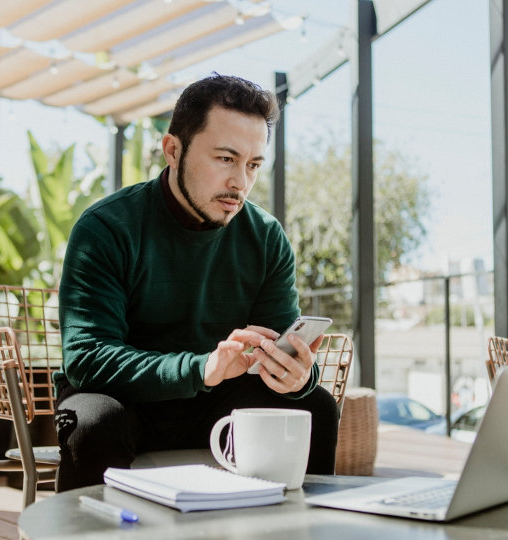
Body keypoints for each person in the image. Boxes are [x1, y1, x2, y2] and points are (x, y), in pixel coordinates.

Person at [53, 73, 340, 491]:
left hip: (217, 406)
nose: (241, 182)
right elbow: (87, 359)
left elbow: (277, 347)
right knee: (96, 421)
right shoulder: (107, 227)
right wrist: (201, 367)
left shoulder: (265, 237)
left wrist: (298, 378)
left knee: (313, 406)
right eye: (226, 159)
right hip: (123, 402)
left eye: (253, 165)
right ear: (173, 149)